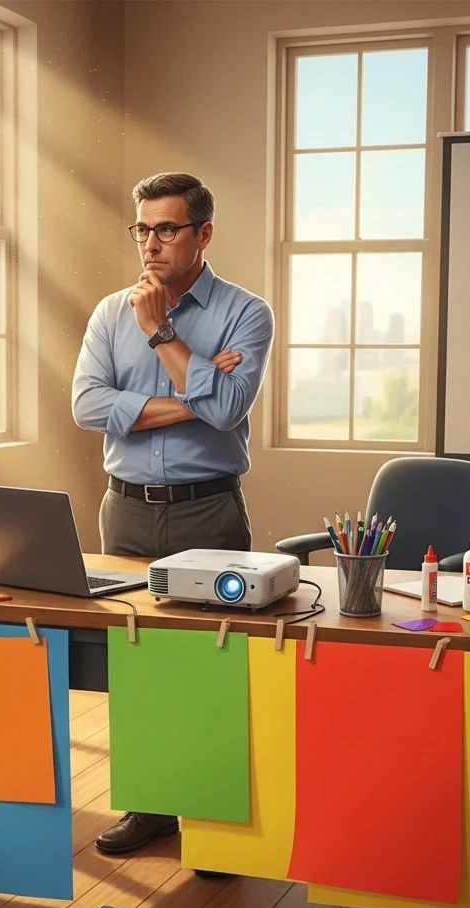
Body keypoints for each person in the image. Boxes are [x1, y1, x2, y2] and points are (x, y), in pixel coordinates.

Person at [71, 171, 275, 859]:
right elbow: (87, 407)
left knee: (208, 670)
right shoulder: (106, 314)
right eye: (143, 229)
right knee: (137, 670)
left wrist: (160, 334)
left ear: (203, 234)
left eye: (167, 229)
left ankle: (213, 824)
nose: (150, 243)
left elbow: (228, 412)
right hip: (124, 513)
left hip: (207, 513)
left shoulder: (247, 313)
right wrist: (195, 393)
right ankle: (150, 807)